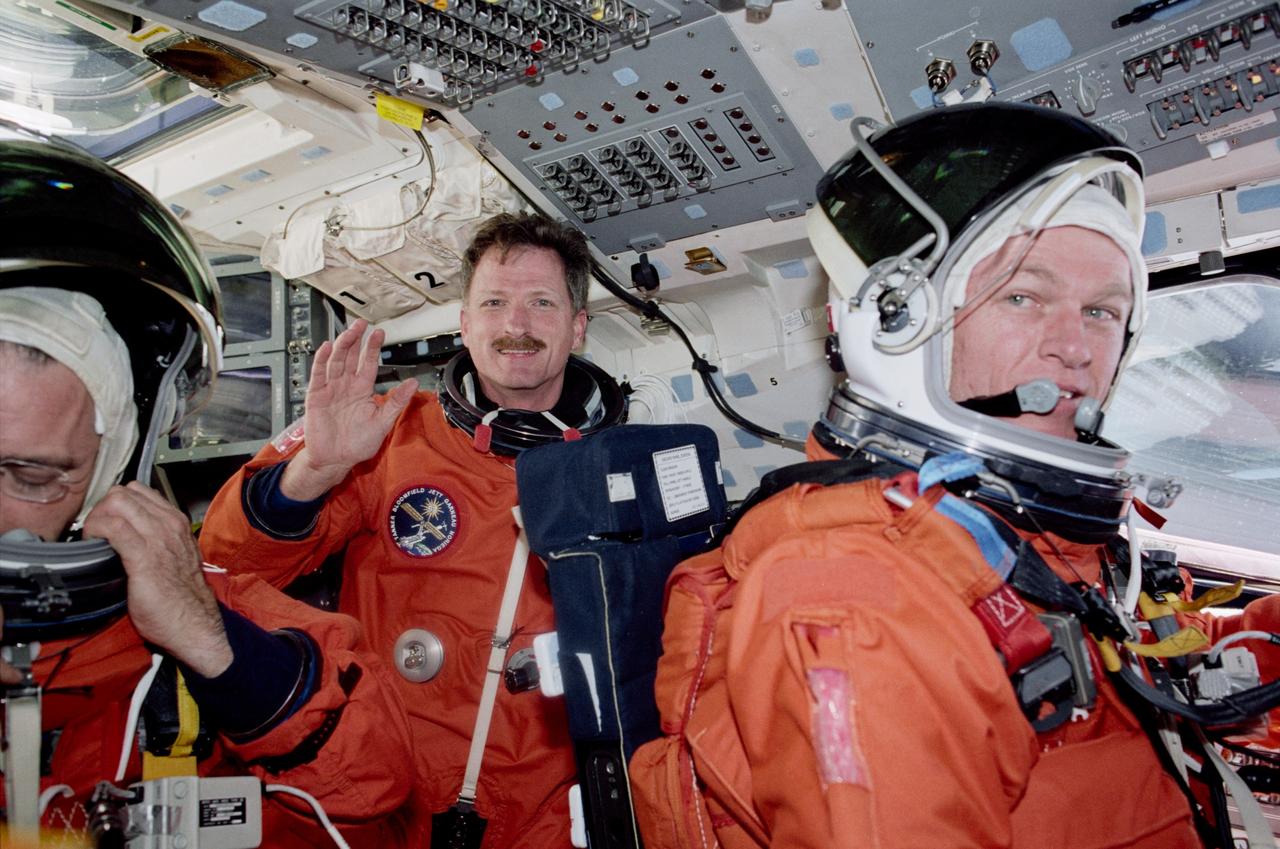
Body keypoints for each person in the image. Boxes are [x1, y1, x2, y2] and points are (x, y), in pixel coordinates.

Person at [629, 102, 1280, 849]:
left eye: (1102, 311)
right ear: (901, 326)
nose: (1075, 348)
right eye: (1024, 297)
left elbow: (1132, 659)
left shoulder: (1028, 538)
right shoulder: (856, 601)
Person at [0, 126, 417, 848]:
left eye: (31, 474)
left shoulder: (191, 617)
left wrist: (213, 644)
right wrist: (313, 471)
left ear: (112, 466)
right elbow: (236, 548)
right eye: (495, 303)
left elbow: (370, 792)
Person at [199, 212, 626, 848]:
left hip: (546, 811)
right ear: (465, 323)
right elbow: (228, 565)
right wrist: (316, 471)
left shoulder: (624, 469)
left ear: (578, 327)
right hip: (384, 798)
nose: (516, 325)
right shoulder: (386, 434)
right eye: (494, 303)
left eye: (541, 302)